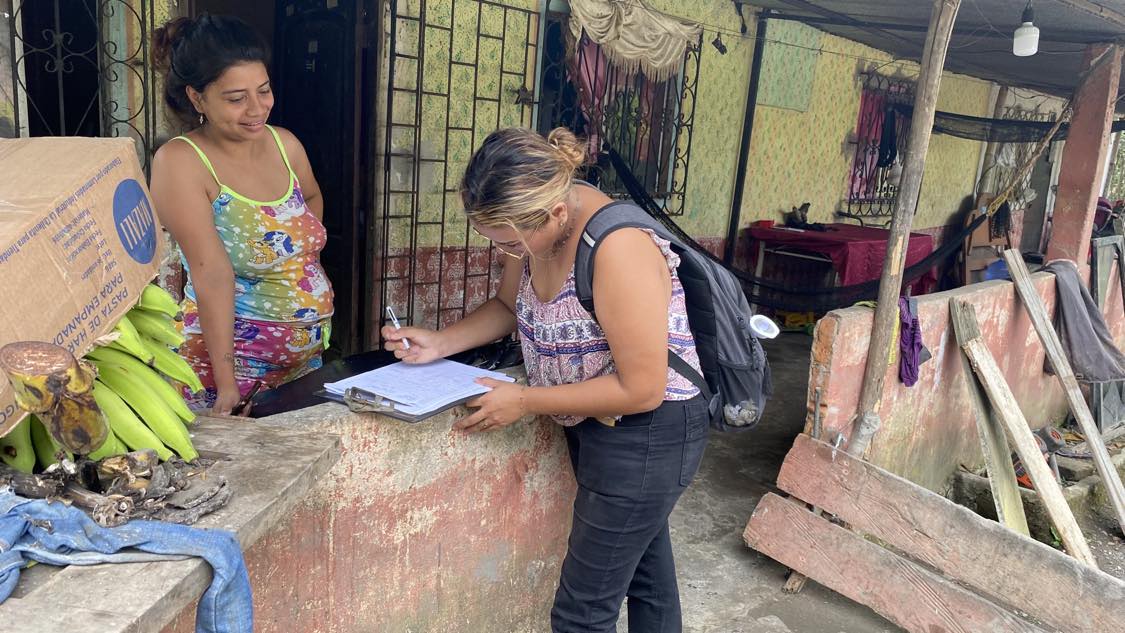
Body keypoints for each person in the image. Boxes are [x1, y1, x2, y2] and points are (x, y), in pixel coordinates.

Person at [382, 127, 708, 633]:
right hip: (599, 424)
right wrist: (440, 343)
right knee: (646, 578)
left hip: (649, 433)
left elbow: (643, 388)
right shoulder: (536, 234)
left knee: (581, 614)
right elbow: (508, 306)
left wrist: (525, 400)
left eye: (511, 242)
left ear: (555, 212)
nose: (507, 252)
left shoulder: (618, 249)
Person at [149, 14, 333, 415]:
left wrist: (297, 269)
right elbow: (211, 275)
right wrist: (227, 384)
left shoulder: (285, 144)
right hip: (229, 370)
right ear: (197, 98)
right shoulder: (181, 162)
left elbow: (312, 198)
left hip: (303, 363)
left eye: (263, 91)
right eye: (236, 99)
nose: (257, 108)